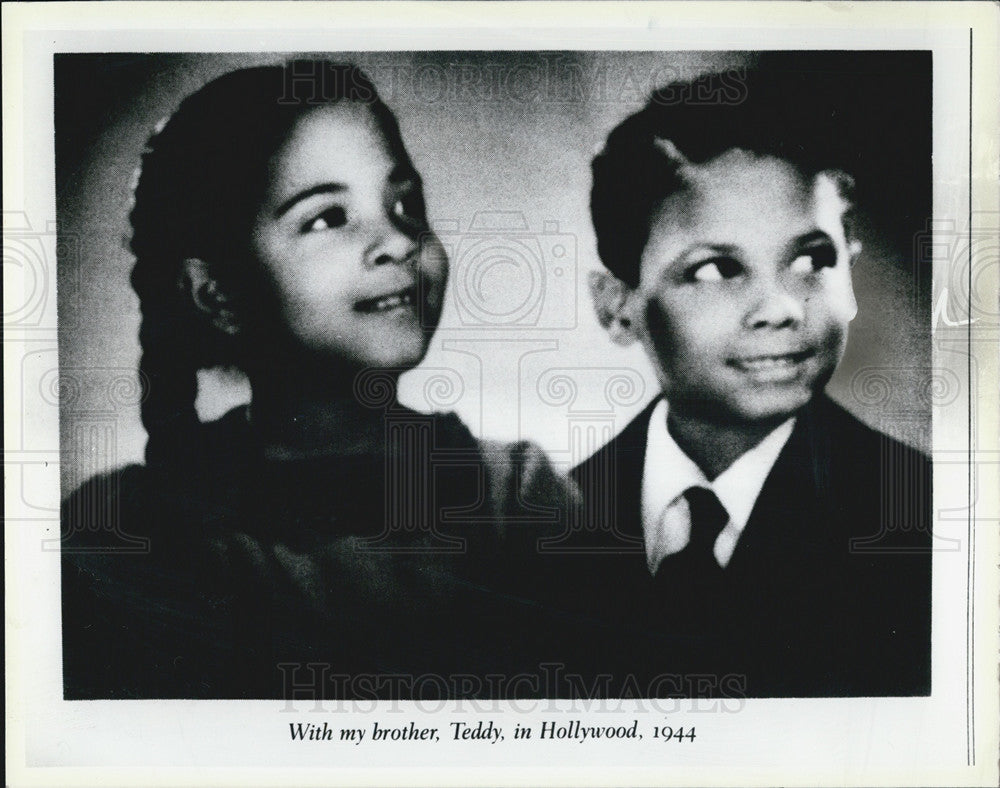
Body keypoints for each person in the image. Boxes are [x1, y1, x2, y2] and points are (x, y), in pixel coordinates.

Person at [60, 61, 572, 700]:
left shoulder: (519, 500)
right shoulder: (124, 533)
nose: (397, 240)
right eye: (328, 217)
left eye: (405, 202)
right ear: (218, 294)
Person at [560, 66, 932, 697]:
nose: (781, 306)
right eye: (715, 270)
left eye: (813, 259)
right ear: (617, 306)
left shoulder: (921, 521)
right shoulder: (547, 522)